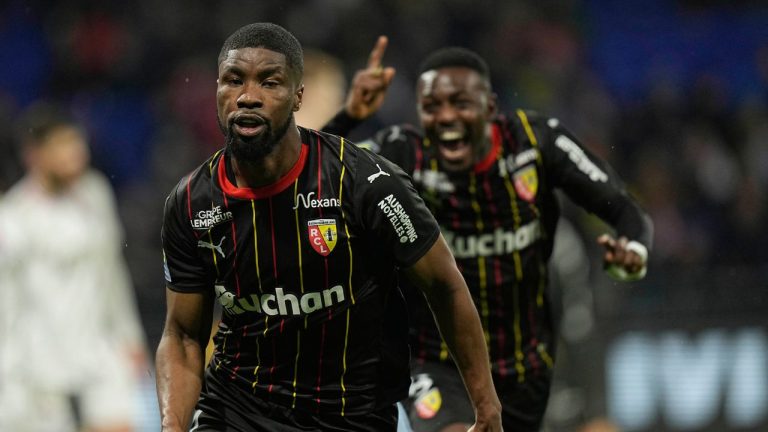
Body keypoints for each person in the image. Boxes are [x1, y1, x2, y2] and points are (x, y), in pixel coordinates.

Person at [155, 23, 502, 432]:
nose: (248, 96)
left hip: (351, 415)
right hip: (236, 410)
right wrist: (172, 427)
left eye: (270, 82)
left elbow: (445, 286)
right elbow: (182, 336)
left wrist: (487, 408)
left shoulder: (367, 183)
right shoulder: (191, 202)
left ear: (298, 96)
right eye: (234, 80)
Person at [323, 40, 653, 431]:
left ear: (491, 107)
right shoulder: (402, 153)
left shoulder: (536, 142)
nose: (446, 117)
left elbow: (624, 209)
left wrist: (634, 249)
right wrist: (348, 116)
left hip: (524, 367)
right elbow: (317, 182)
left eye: (460, 103)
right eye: (432, 107)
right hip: (437, 361)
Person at [0, 101, 148, 432]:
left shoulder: (95, 193)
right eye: (64, 144)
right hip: (40, 366)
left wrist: (130, 335)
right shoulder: (14, 218)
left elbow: (112, 271)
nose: (77, 152)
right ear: (34, 154)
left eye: (77, 142)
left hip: (100, 351)